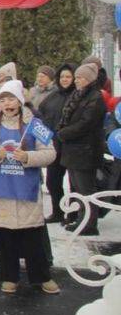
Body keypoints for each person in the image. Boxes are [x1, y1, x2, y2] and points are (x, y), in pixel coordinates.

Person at [0, 80, 60, 294]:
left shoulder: (34, 124)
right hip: (1, 190)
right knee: (6, 238)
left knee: (32, 238)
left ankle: (41, 277)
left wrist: (28, 157)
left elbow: (51, 153)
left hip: (26, 190)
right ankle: (9, 277)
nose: (7, 103)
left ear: (20, 101)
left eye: (11, 99)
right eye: (2, 99)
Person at [57, 63, 107, 236]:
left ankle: (89, 224)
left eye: (80, 77)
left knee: (86, 190)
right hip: (73, 149)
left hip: (86, 150)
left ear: (89, 79)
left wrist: (64, 133)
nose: (76, 81)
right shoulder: (77, 95)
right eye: (76, 77)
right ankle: (81, 219)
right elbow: (67, 116)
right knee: (76, 188)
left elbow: (86, 123)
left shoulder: (95, 97)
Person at [37, 64, 75, 223]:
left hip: (72, 146)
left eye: (68, 77)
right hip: (54, 145)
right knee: (53, 181)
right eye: (62, 77)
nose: (65, 80)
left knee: (75, 184)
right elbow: (41, 113)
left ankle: (74, 214)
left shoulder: (77, 96)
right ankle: (57, 212)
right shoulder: (54, 96)